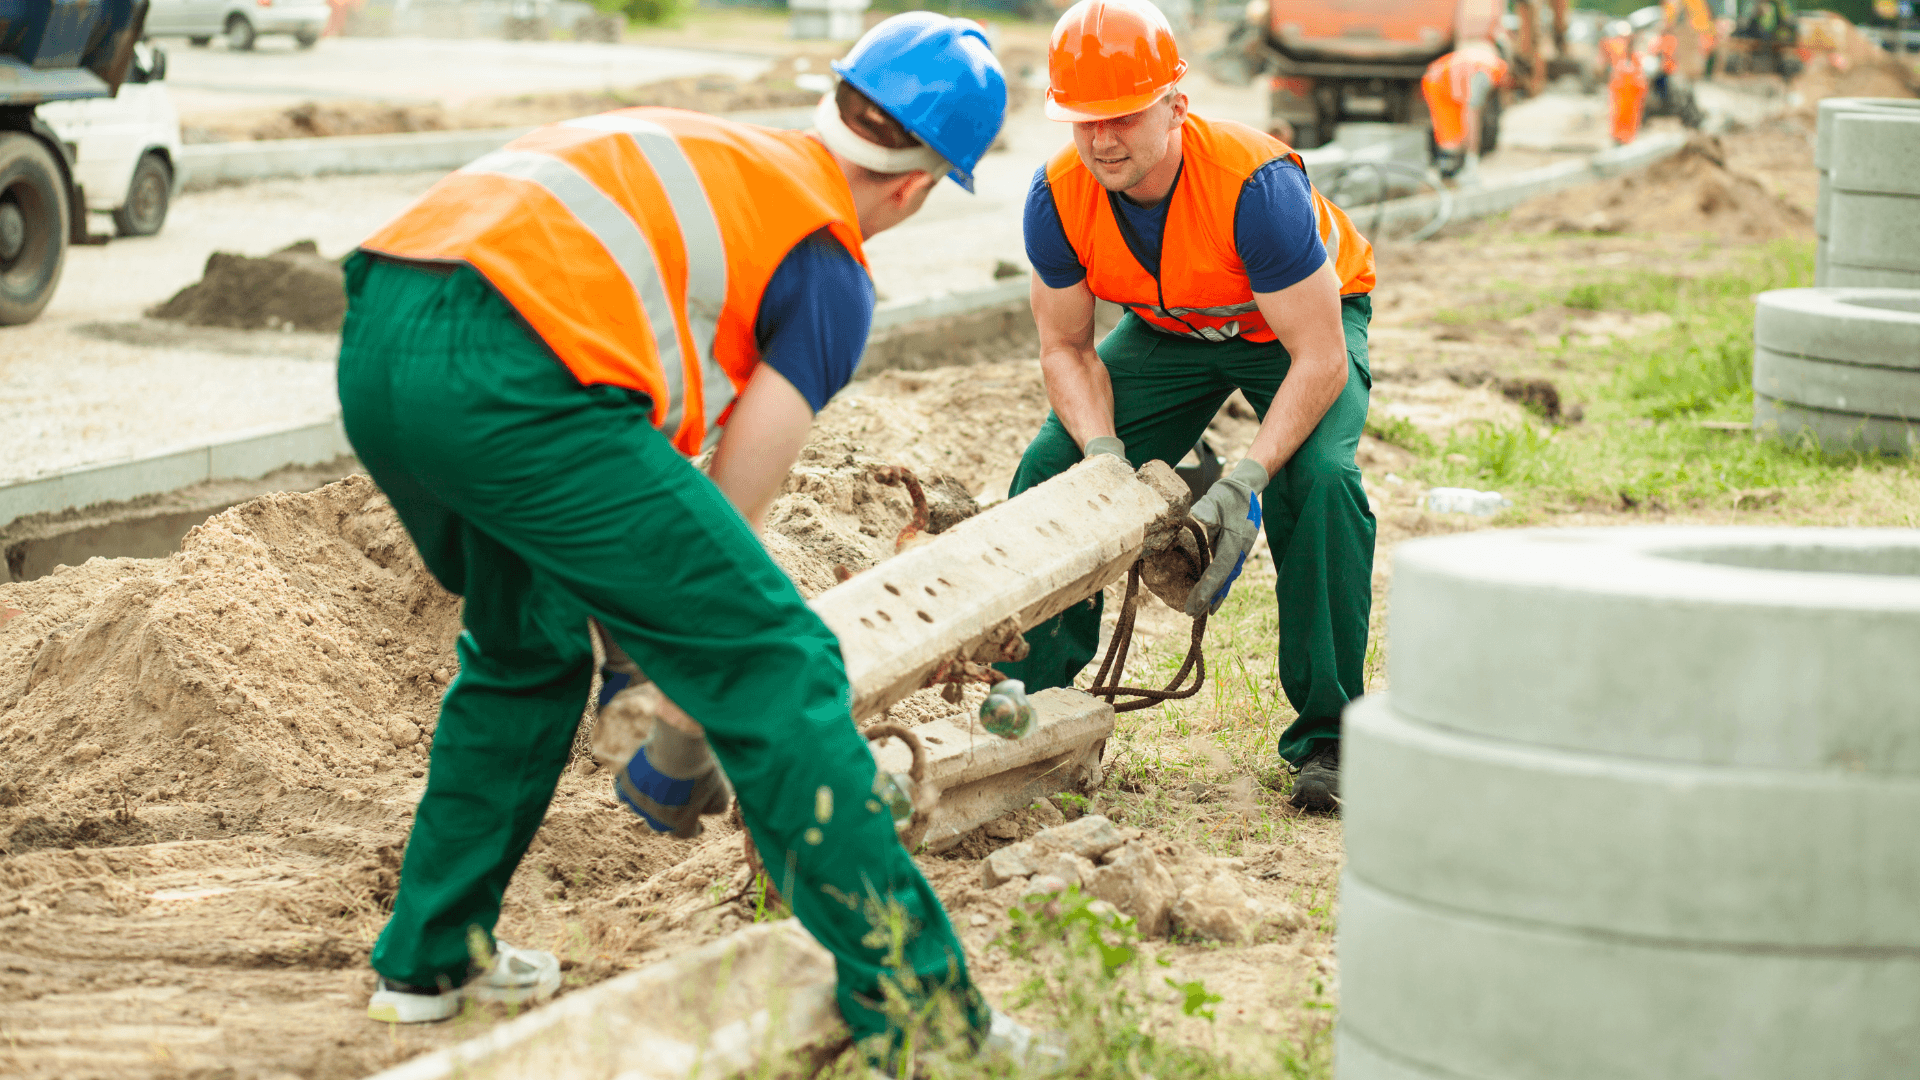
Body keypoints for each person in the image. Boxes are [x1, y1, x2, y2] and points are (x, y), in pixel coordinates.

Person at [334, 12, 1019, 1067]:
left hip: (384, 332)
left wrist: (636, 666)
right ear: (919, 186)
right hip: (520, 379)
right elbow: (733, 515)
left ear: (832, 107)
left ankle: (431, 961)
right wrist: (686, 721)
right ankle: (929, 1021)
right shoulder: (828, 267)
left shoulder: (730, 156)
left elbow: (654, 535)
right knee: (778, 658)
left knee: (526, 653)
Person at [1001, 0, 1376, 813]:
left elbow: (1320, 356)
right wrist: (1102, 456)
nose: (1102, 140)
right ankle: (1025, 701)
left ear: (1176, 104)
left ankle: (1331, 737)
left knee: (1321, 481)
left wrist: (1244, 477)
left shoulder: (1254, 186)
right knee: (1052, 466)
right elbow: (1064, 347)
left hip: (1297, 329)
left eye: (1124, 116)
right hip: (1172, 328)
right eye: (1082, 119)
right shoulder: (1058, 196)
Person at [1421, 41, 1511, 183]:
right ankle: (1444, 175)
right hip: (1438, 84)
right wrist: (1472, 154)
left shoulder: (1491, 65)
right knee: (1450, 136)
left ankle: (1450, 173)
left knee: (1457, 133)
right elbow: (1472, 113)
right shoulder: (1487, 74)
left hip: (1446, 81)